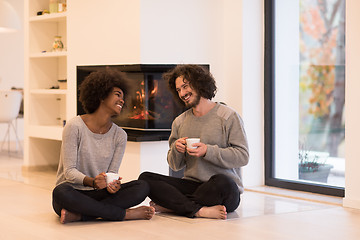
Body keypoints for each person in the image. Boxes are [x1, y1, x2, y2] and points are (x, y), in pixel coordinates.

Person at [139, 64, 249, 220]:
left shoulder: (228, 116)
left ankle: (173, 205)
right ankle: (198, 210)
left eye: (185, 86)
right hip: (193, 186)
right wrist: (176, 150)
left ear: (199, 83)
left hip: (222, 189)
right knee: (146, 178)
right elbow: (175, 165)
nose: (182, 93)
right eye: (178, 90)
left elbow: (243, 156)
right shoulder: (180, 122)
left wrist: (207, 151)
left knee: (223, 182)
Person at [52, 69, 155, 224]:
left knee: (142, 186)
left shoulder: (120, 135)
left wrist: (113, 185)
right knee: (60, 192)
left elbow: (112, 174)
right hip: (73, 192)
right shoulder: (74, 126)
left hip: (99, 194)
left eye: (123, 97)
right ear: (101, 95)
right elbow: (69, 172)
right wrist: (92, 182)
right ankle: (124, 214)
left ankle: (82, 216)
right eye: (117, 94)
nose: (122, 100)